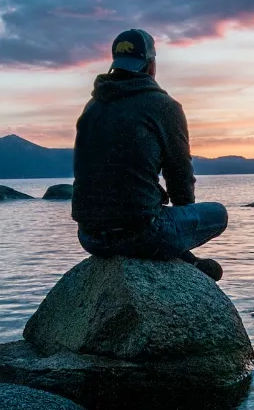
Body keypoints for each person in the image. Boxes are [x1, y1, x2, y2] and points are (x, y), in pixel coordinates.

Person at [71, 28, 227, 281]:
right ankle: (185, 259)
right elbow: (179, 173)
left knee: (151, 213)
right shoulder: (163, 106)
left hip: (89, 237)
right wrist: (181, 223)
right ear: (151, 64)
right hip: (142, 235)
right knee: (218, 213)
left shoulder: (92, 107)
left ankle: (186, 259)